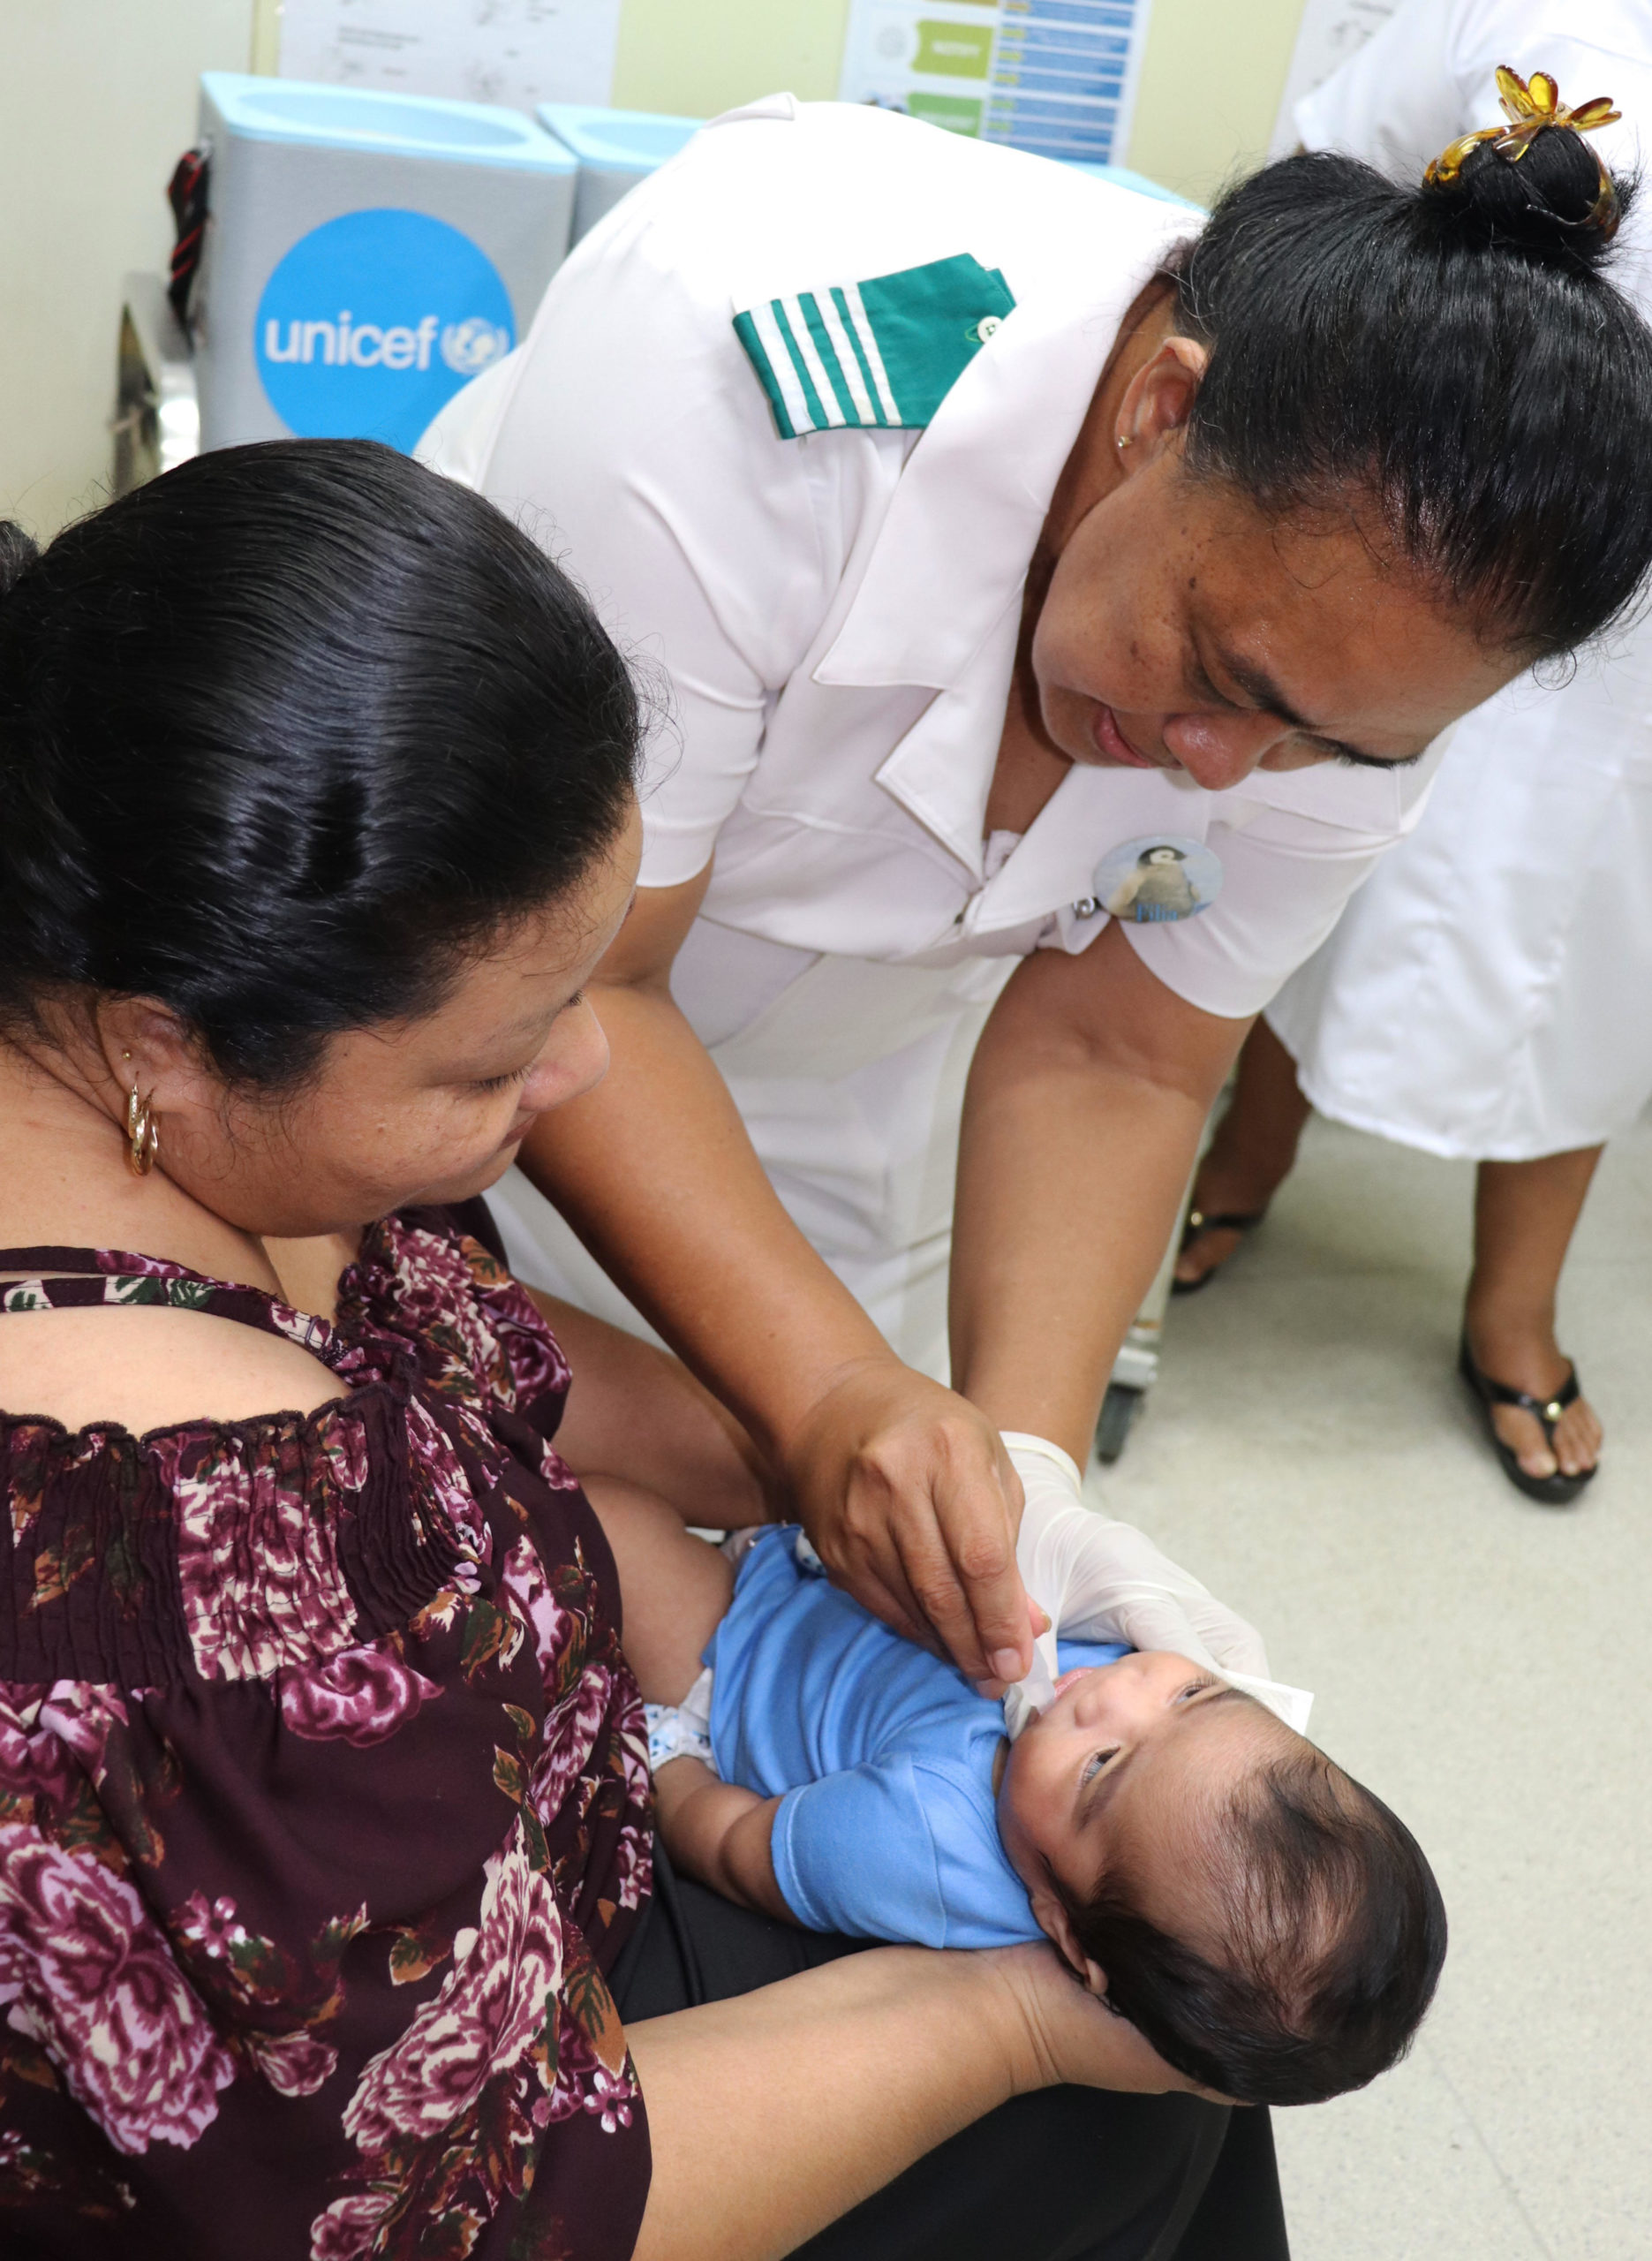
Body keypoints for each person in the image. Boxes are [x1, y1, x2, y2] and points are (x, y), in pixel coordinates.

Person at [0, 442, 1291, 2261]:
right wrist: (1010, 2018)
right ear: (173, 1045)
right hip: (495, 2142)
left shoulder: (160, 1124)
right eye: (489, 1061)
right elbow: (495, 2201)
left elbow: (445, 1334)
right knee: (1137, 2117)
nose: (579, 1079)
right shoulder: (203, 1608)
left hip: (559, 1828)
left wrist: (818, 1456)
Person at [422, 86, 1652, 1681]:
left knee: (787, 1556)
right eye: (1219, 671)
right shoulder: (745, 375)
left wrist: (1030, 1487)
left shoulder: (1358, 672)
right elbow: (583, 973)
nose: (1219, 768)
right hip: (456, 960)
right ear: (1159, 407)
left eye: (1322, 745)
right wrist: (822, 1398)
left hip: (849, 1044)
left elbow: (1121, 1052)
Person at [1174, 13, 1652, 1508]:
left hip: (1635, 650)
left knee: (1594, 967)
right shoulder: (1539, 13)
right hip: (1419, 542)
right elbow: (1329, 176)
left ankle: (1511, 1307)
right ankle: (1251, 1155)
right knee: (1311, 860)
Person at [590, 1493, 1447, 2109]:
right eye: (1194, 1699)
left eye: (1099, 1766)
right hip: (817, 1563)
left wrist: (672, 1760)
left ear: (1065, 1927)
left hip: (732, 1649)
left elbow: (738, 1844)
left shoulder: (916, 1841)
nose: (1109, 1694)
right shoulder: (1129, 1695)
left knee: (598, 1520)